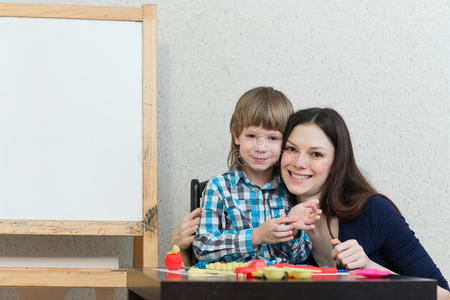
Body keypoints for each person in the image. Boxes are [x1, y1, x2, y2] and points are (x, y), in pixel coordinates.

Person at [279, 107, 449, 299]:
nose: (299, 162)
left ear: (337, 163)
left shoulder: (374, 211)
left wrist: (369, 268)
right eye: (291, 149)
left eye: (316, 154)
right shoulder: (275, 215)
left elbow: (443, 295)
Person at [192, 87, 321, 264]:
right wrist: (256, 236)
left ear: (286, 141)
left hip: (281, 287)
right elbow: (202, 248)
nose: (261, 147)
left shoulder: (290, 187)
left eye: (273, 138)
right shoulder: (219, 187)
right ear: (237, 135)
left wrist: (294, 231)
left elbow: (300, 257)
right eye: (252, 136)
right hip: (233, 287)